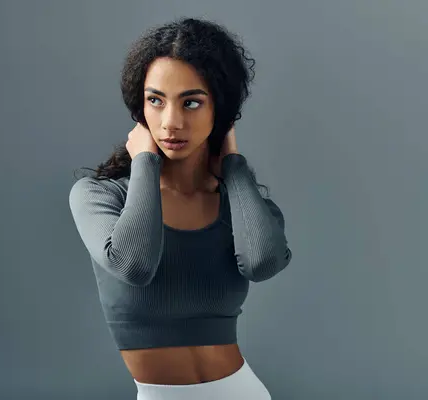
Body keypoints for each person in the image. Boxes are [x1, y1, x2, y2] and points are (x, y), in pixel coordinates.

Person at [69, 17, 292, 400]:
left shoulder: (237, 201)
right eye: (155, 100)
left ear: (218, 110)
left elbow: (263, 262)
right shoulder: (100, 197)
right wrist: (144, 162)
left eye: (191, 102)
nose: (171, 122)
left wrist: (234, 167)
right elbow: (134, 265)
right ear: (140, 109)